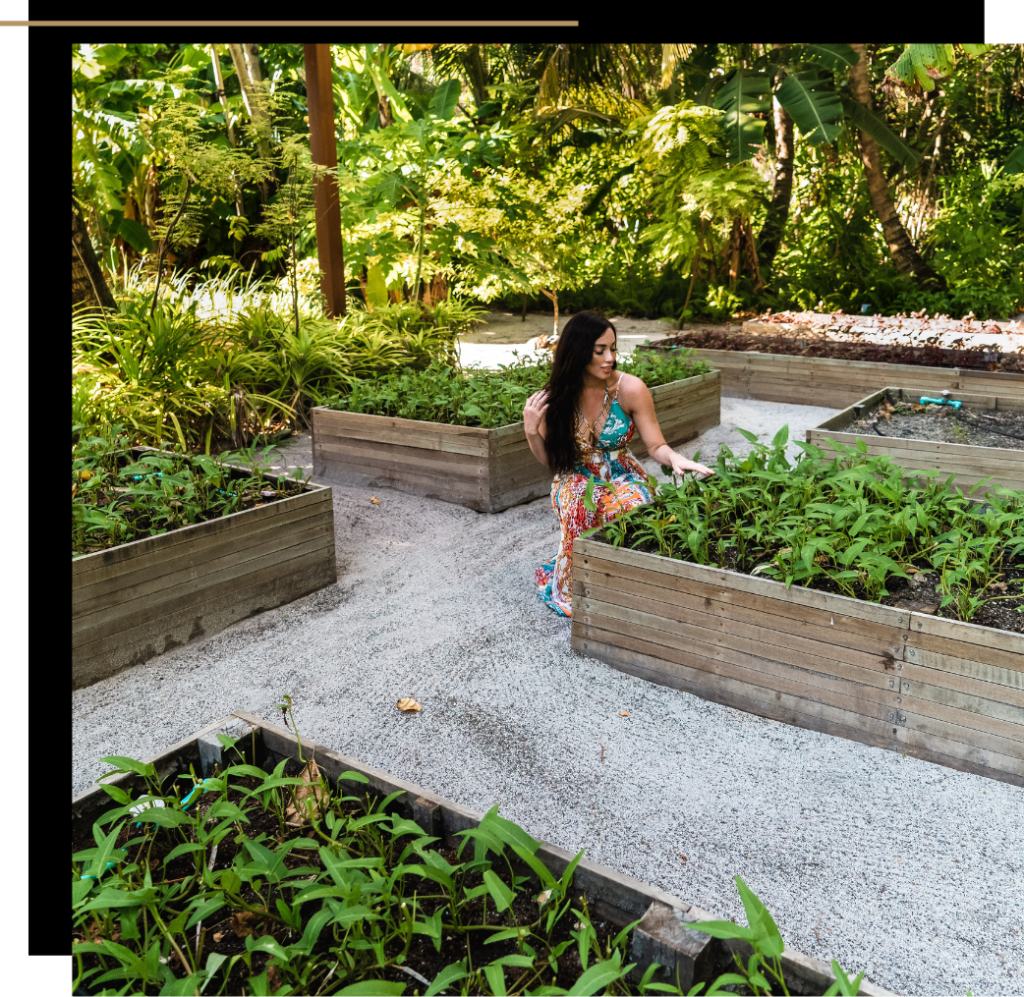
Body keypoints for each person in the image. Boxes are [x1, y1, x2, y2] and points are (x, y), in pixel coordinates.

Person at [524, 311, 715, 617]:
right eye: (600, 350)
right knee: (577, 509)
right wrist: (532, 431)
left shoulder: (630, 389)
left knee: (635, 506)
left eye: (612, 348)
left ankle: (630, 588)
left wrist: (675, 458)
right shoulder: (555, 398)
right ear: (577, 351)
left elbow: (655, 445)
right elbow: (553, 462)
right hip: (576, 476)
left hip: (622, 473)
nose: (609, 357)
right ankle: (581, 588)